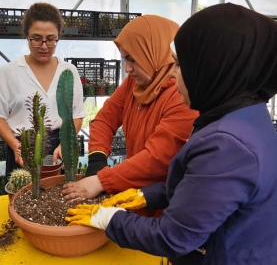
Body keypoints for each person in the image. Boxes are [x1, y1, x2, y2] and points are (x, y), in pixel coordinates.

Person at [65, 3, 277, 265]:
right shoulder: (245, 114)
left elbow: (173, 235)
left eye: (179, 64)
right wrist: (146, 194)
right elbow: (201, 187)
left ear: (209, 68)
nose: (173, 71)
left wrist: (105, 215)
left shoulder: (227, 144)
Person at [62, 14, 198, 218]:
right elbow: (104, 120)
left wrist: (101, 181)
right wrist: (97, 160)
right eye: (125, 58)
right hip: (133, 196)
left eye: (133, 59)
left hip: (166, 209)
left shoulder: (182, 96)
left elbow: (156, 160)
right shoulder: (134, 85)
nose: (127, 68)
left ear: (155, 53)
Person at [0, 2, 87, 178]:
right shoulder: (10, 71)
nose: (44, 45)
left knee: (59, 200)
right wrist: (18, 148)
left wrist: (65, 143)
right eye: (36, 38)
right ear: (26, 36)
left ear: (58, 37)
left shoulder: (68, 71)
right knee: (23, 199)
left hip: (58, 146)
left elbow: (77, 115)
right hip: (21, 146)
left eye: (50, 39)